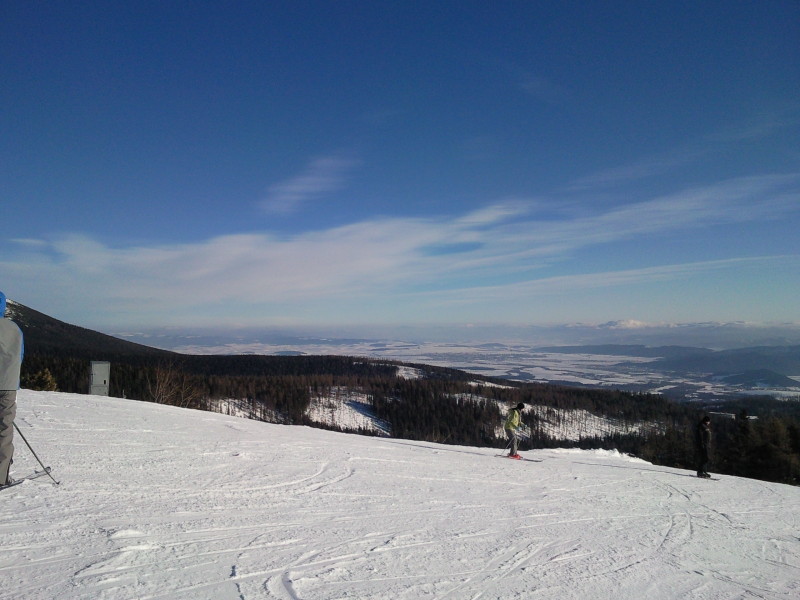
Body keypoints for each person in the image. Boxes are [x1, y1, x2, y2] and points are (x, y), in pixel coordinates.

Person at [0, 291, 24, 485]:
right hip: (8, 385)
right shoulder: (15, 329)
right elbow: (20, 355)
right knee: (4, 429)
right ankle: (1, 476)